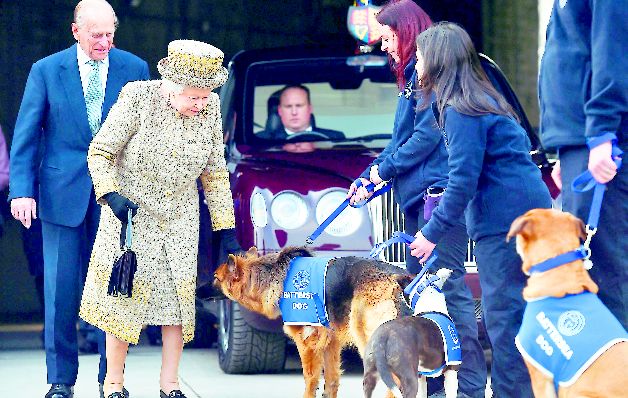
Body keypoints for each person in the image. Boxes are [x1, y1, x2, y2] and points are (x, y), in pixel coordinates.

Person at [79, 39, 240, 398]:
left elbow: (214, 173)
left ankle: (170, 386)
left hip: (180, 219)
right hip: (130, 217)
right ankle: (114, 385)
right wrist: (111, 194)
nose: (201, 104)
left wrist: (225, 229)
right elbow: (101, 151)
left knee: (178, 306)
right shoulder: (138, 98)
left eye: (206, 96)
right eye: (193, 97)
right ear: (171, 88)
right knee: (123, 301)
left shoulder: (210, 106)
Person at [7, 1, 149, 397]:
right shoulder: (46, 71)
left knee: (114, 292)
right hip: (59, 194)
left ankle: (111, 380)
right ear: (76, 31)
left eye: (110, 34)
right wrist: (21, 190)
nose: (104, 42)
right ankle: (60, 381)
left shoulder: (135, 69)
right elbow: (26, 135)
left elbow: (144, 135)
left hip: (116, 198)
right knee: (60, 291)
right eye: (95, 35)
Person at [347, 2, 487, 397]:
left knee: (450, 291)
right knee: (426, 294)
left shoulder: (432, 80)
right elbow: (399, 143)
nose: (385, 46)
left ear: (407, 34)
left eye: (389, 37)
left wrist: (380, 172)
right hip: (418, 200)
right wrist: (369, 178)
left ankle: (471, 388)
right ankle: (436, 385)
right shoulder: (412, 78)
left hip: (436, 200)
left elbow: (424, 140)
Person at [408, 22, 552, 398]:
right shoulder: (483, 101)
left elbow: (463, 181)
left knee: (504, 320)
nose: (416, 62)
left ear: (438, 60)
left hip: (506, 224)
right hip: (525, 215)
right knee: (515, 315)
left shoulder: (461, 111)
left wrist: (431, 233)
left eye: (420, 55)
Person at [539, 1, 627, 329]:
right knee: (593, 271)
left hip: (602, 139)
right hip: (580, 140)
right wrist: (566, 147)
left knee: (607, 269)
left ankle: (619, 377)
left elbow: (613, 49)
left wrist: (601, 134)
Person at [257, 84, 344, 140]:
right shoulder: (262, 140)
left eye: (299, 106)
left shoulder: (334, 139)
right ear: (280, 111)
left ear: (310, 109)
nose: (294, 112)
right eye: (288, 106)